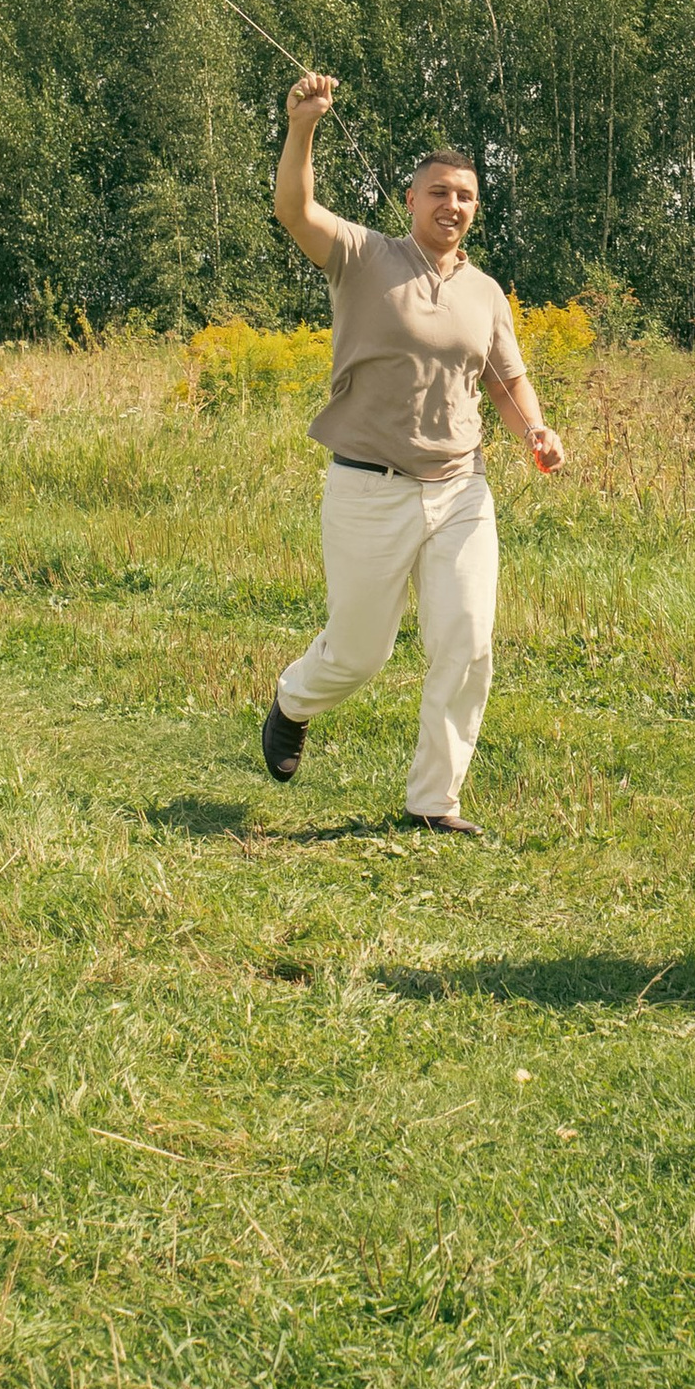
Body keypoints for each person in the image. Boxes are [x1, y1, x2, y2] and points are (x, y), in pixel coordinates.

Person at [261, 72, 565, 835]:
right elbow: (293, 210)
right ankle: (295, 699)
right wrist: (304, 127)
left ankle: (434, 801)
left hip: (462, 488)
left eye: (463, 194)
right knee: (359, 654)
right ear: (410, 200)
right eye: (437, 191)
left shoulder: (486, 293)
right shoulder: (363, 256)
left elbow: (507, 379)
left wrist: (535, 428)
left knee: (466, 641)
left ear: (474, 208)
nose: (451, 205)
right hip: (369, 487)